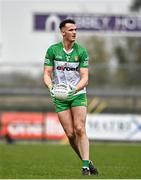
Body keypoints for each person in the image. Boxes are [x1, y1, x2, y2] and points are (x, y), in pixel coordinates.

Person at [43, 19, 99, 176]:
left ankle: (85, 167)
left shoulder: (81, 51)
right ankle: (87, 161)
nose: (74, 32)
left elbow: (85, 78)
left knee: (80, 128)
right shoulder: (52, 50)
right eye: (71, 30)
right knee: (70, 134)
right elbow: (47, 74)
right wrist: (51, 88)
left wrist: (74, 90)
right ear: (63, 32)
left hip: (77, 94)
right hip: (60, 96)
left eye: (76, 29)